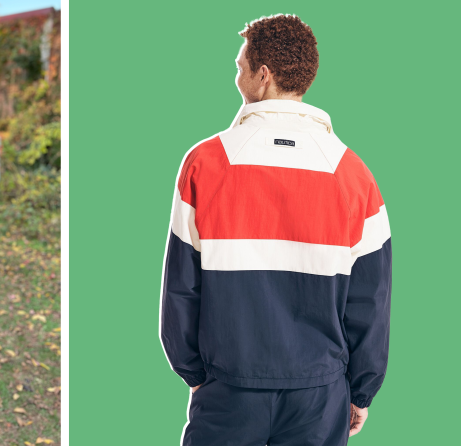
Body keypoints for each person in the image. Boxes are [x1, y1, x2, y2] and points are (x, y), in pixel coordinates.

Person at [159, 14, 392, 446]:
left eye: (239, 65)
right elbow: (370, 297)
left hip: (229, 386)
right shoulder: (353, 174)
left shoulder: (206, 164)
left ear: (262, 75)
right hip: (319, 396)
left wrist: (194, 373)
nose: (236, 73)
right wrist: (361, 390)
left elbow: (181, 287)